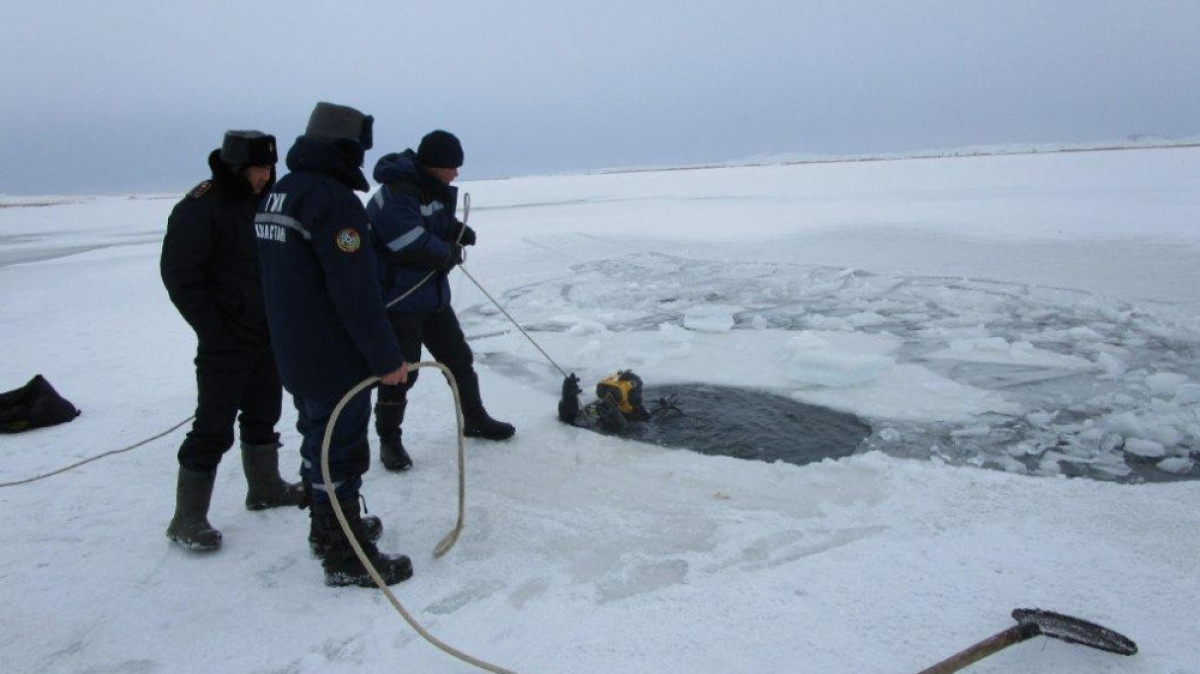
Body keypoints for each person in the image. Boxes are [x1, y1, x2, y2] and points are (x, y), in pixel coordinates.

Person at [254, 102, 412, 588]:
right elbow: (355, 292)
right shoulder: (333, 200)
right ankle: (344, 555)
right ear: (345, 148)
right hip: (331, 354)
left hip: (294, 347)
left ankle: (330, 530)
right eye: (359, 149)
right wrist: (387, 359)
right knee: (338, 450)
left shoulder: (282, 192)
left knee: (317, 441)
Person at [161, 130, 303, 553]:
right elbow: (180, 276)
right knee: (213, 426)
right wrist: (215, 329)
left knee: (264, 414)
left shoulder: (267, 202)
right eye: (259, 169)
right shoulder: (201, 207)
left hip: (267, 332)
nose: (266, 175)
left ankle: (265, 488)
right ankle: (186, 518)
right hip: (225, 340)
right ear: (238, 167)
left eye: (270, 168)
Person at [364, 130, 514, 473]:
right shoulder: (399, 191)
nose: (456, 174)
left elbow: (434, 223)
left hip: (432, 298)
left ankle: (475, 419)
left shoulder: (428, 187)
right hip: (400, 299)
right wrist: (447, 251)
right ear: (435, 164)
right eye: (453, 167)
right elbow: (408, 242)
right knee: (401, 374)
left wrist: (456, 230)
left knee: (459, 359)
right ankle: (390, 440)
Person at [558, 370, 678, 439]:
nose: (608, 398)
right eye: (603, 391)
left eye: (615, 394)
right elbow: (568, 421)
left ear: (631, 397)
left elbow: (641, 442)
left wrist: (620, 422)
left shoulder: (643, 419)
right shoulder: (599, 409)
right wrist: (568, 400)